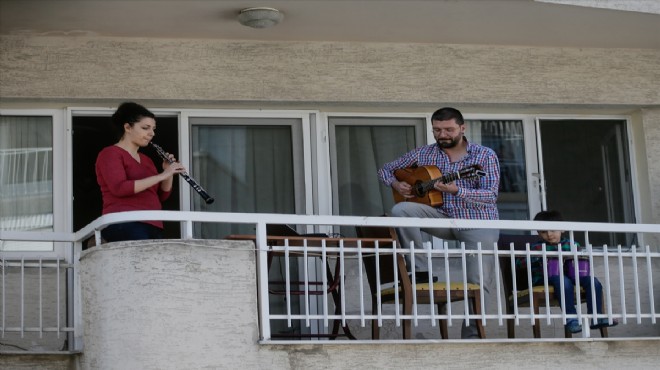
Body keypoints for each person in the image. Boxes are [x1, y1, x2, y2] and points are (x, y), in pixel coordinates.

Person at [377, 107, 500, 339]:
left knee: (478, 282)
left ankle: (472, 336)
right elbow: (385, 170)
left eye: (448, 129)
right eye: (437, 129)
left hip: (479, 221)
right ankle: (420, 270)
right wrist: (395, 184)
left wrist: (457, 190)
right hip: (442, 217)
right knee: (401, 209)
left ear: (462, 129)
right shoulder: (424, 153)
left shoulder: (484, 156)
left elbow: (490, 195)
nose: (442, 134)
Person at [95, 102, 186, 242]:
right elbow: (120, 188)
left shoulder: (147, 160)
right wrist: (162, 175)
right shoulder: (110, 154)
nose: (151, 133)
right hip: (125, 222)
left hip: (153, 223)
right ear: (127, 127)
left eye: (153, 129)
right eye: (145, 128)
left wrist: (168, 172)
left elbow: (161, 196)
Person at [517, 210, 619, 333]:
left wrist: (576, 258)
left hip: (571, 275)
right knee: (563, 281)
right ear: (538, 233)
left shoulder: (572, 244)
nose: (549, 234)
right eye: (544, 232)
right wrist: (536, 257)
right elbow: (518, 264)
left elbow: (581, 260)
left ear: (563, 229)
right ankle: (571, 319)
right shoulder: (536, 247)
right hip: (545, 278)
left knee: (592, 281)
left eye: (553, 230)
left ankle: (597, 317)